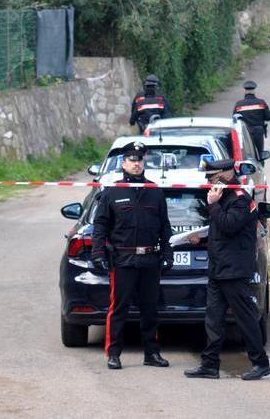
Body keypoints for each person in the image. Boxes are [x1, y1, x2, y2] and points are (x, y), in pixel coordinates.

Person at [183, 159, 270, 381]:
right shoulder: (225, 197)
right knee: (213, 318)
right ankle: (210, 364)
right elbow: (221, 235)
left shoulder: (240, 200)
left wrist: (213, 204)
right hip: (218, 268)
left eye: (213, 177)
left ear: (227, 174)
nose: (210, 182)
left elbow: (229, 226)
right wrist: (200, 241)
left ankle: (261, 363)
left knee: (245, 318)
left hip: (233, 271)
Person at [91, 141, 174, 370]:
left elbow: (165, 226)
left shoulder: (154, 191)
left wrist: (168, 253)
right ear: (124, 163)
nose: (136, 165)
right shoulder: (112, 191)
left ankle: (152, 353)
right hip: (123, 260)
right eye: (132, 160)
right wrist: (98, 253)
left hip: (150, 259)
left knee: (150, 309)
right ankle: (113, 354)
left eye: (139, 160)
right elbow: (100, 226)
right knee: (119, 308)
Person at [232, 80, 270, 159]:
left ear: (245, 91)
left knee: (245, 155)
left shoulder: (239, 104)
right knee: (260, 156)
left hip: (245, 133)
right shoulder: (261, 103)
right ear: (254, 91)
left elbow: (234, 119)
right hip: (258, 132)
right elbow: (269, 117)